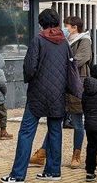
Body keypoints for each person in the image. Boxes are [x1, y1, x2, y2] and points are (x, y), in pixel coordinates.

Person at [1, 9, 72, 183]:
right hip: (58, 94)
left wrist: (29, 79)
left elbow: (30, 67)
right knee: (55, 132)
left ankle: (18, 175)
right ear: (56, 23)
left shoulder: (38, 40)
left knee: (26, 132)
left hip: (38, 93)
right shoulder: (64, 43)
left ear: (42, 24)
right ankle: (53, 171)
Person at [29, 16, 91, 168]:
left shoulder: (84, 41)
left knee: (77, 122)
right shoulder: (63, 41)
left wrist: (61, 64)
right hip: (60, 85)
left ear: (75, 27)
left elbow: (80, 59)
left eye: (67, 26)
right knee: (55, 120)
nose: (65, 29)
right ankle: (42, 153)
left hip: (77, 85)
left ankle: (76, 154)